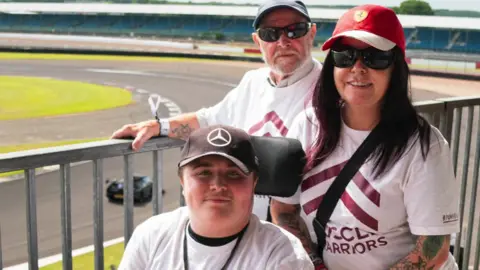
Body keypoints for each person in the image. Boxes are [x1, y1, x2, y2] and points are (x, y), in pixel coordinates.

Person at [271, 4, 460, 270]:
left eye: (375, 57)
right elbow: (284, 210)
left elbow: (434, 246)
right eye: (344, 56)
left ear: (396, 68)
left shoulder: (423, 145)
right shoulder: (308, 126)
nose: (357, 68)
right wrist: (315, 263)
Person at [111, 0, 321, 221]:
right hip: (245, 229)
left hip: (300, 232)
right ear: (257, 41)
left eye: (295, 30)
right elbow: (207, 121)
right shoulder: (253, 82)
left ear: (311, 33)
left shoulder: (332, 87)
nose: (283, 41)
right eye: (270, 33)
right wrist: (158, 126)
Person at [118, 125, 314, 270]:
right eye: (203, 173)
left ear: (254, 182)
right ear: (182, 182)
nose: (218, 185)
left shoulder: (283, 255)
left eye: (234, 174)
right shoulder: (151, 235)